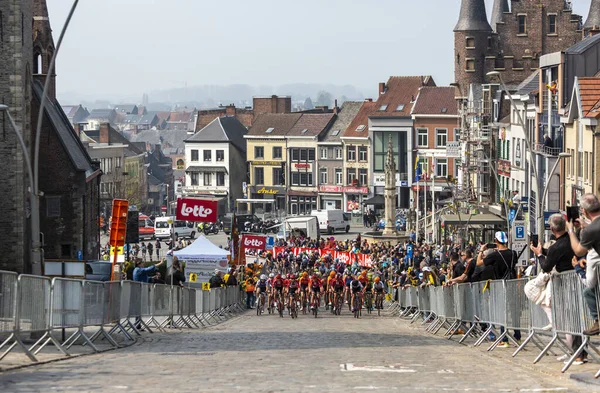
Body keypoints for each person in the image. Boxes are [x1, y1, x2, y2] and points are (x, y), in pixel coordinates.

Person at [566, 193, 600, 336]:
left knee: (589, 291)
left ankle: (598, 321)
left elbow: (579, 251)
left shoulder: (590, 231)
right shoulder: (591, 228)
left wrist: (571, 231)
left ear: (584, 211)